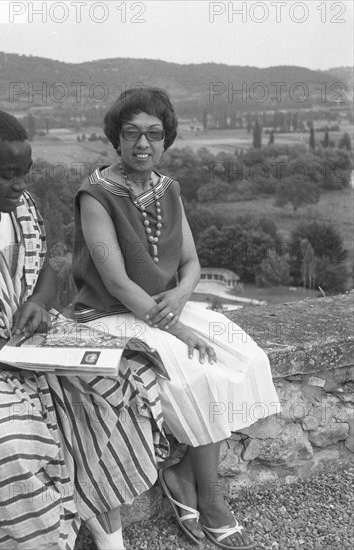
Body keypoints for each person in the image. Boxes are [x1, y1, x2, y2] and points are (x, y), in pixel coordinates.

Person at [0, 108, 172, 550]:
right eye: (8, 175)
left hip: (30, 339)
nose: (20, 185)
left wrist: (40, 303)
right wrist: (31, 360)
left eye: (25, 173)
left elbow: (47, 270)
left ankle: (103, 519)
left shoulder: (19, 207)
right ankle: (42, 540)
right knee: (16, 441)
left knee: (122, 383)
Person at [72, 89, 281, 550]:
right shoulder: (96, 195)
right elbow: (119, 283)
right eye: (131, 134)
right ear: (116, 138)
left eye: (154, 134)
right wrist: (179, 327)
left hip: (166, 307)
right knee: (194, 371)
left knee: (246, 358)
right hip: (114, 315)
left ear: (166, 140)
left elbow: (190, 262)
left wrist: (183, 297)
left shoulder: (170, 189)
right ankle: (210, 497)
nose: (142, 144)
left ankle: (183, 473)